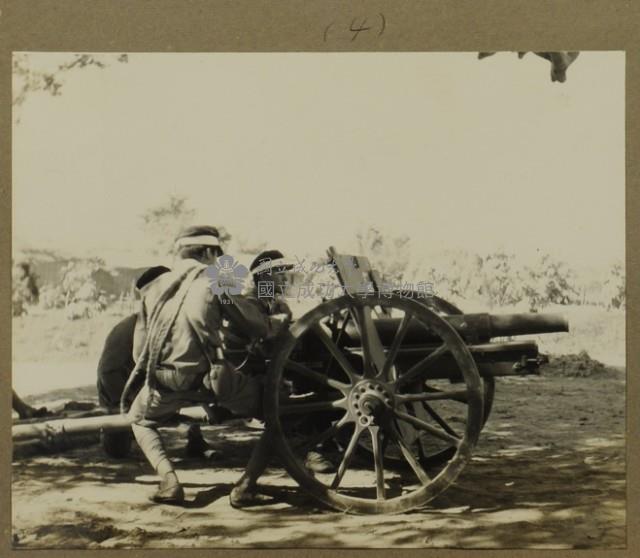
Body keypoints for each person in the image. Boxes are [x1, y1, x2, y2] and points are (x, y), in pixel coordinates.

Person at [126, 226, 288, 505]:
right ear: (210, 252)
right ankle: (245, 487)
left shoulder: (153, 287)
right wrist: (278, 322)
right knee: (281, 411)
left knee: (139, 421)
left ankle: (169, 481)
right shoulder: (218, 280)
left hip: (164, 382)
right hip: (212, 380)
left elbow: (138, 350)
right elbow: (255, 326)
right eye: (218, 254)